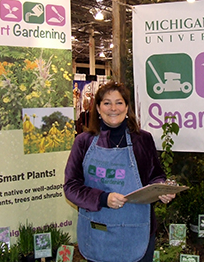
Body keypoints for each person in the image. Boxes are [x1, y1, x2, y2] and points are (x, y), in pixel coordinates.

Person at [64, 81, 175, 262]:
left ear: (127, 107)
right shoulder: (83, 142)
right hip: (97, 232)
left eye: (119, 102)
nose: (113, 108)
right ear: (98, 109)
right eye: (107, 103)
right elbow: (71, 187)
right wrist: (103, 198)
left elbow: (156, 175)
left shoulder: (143, 139)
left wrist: (161, 189)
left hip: (137, 231)